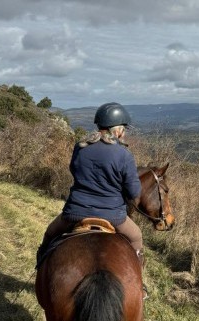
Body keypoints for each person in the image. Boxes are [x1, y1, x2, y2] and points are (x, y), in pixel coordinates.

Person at [36, 102, 144, 272]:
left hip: (75, 212)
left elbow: (74, 171)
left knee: (50, 234)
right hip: (113, 216)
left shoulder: (80, 147)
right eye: (123, 129)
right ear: (117, 130)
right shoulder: (124, 154)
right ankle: (140, 281)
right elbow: (134, 192)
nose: (124, 133)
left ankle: (40, 266)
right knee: (136, 236)